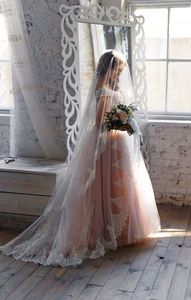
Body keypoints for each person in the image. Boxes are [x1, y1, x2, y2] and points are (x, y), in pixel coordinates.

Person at [0, 50, 160, 266]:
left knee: (118, 187)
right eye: (118, 70)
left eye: (121, 71)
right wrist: (121, 124)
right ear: (109, 68)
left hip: (114, 144)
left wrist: (123, 122)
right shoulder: (102, 89)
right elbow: (99, 123)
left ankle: (120, 231)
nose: (119, 74)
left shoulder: (109, 87)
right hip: (106, 145)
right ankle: (105, 232)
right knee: (102, 189)